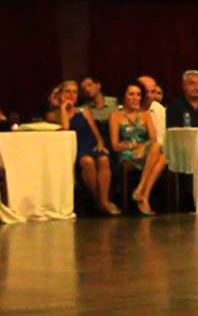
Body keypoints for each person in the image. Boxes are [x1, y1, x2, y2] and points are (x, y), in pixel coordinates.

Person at [53, 80, 120, 215]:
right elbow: (65, 129)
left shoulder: (84, 110)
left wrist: (101, 144)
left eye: (74, 92)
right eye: (68, 92)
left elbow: (94, 130)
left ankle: (104, 200)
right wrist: (63, 108)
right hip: (75, 147)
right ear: (60, 94)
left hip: (90, 143)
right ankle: (99, 200)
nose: (71, 95)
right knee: (87, 162)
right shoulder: (55, 114)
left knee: (104, 160)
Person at [110, 80, 166, 215]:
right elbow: (115, 145)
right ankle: (143, 195)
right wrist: (133, 146)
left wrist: (142, 147)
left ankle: (142, 192)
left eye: (138, 95)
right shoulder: (115, 116)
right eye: (131, 94)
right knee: (160, 156)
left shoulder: (146, 115)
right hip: (127, 153)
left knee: (161, 152)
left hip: (145, 152)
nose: (136, 98)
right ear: (124, 96)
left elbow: (153, 139)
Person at [138, 75, 167, 151]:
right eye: (146, 91)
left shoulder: (159, 108)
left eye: (153, 92)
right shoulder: (125, 109)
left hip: (157, 151)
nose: (149, 95)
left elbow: (162, 138)